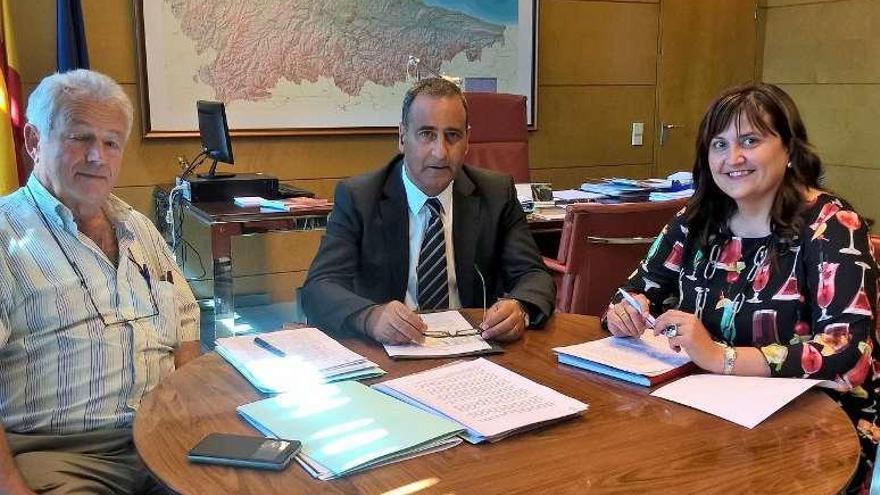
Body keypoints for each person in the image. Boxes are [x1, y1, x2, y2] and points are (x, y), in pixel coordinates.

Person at [606, 83, 878, 493]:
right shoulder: (695, 220)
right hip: (708, 410)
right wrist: (625, 311)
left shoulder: (830, 225)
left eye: (750, 141)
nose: (732, 158)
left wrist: (720, 357)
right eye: (719, 144)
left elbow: (844, 349)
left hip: (815, 424)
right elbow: (632, 291)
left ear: (789, 149)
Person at [0, 69, 200, 494]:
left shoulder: (139, 228)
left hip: (163, 438)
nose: (98, 157)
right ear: (33, 142)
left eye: (111, 143)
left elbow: (185, 327)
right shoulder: (5, 237)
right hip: (61, 456)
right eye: (80, 138)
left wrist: (195, 429)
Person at [302, 77, 555, 345]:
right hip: (390, 351)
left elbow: (534, 276)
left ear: (468, 140)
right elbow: (319, 287)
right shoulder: (360, 197)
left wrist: (520, 308)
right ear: (402, 137)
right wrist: (370, 317)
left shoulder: (496, 193)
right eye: (426, 134)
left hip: (473, 346)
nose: (440, 153)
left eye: (452, 136)